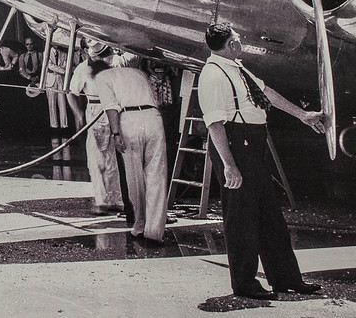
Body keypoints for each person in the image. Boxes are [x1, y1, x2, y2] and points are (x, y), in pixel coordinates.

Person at [198, 23, 325, 300]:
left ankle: (286, 279)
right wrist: (230, 165)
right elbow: (215, 125)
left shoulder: (236, 67)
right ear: (230, 45)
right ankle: (244, 284)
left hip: (252, 144)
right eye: (238, 39)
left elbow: (266, 93)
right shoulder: (213, 75)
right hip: (235, 146)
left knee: (270, 216)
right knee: (241, 219)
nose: (241, 42)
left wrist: (302, 115)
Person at [92, 60, 168, 244]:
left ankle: (139, 225)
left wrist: (116, 133)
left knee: (134, 178)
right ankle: (155, 232)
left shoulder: (101, 78)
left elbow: (111, 107)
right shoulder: (137, 72)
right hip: (153, 118)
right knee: (157, 175)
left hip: (129, 120)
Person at [70, 40, 124, 216]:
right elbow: (72, 94)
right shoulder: (82, 69)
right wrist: (78, 116)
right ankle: (101, 201)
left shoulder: (114, 63)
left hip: (114, 111)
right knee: (96, 159)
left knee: (114, 159)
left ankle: (116, 200)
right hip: (93, 113)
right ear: (85, 51)